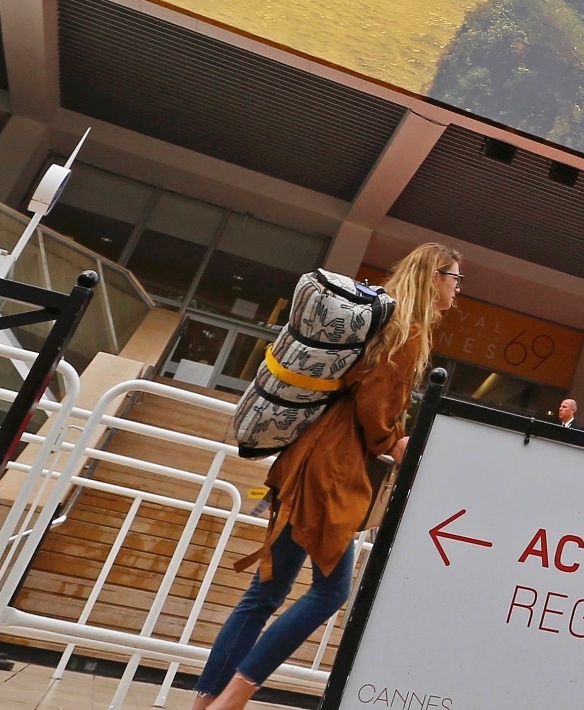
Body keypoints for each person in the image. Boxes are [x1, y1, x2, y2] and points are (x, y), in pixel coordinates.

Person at [194, 243, 463, 710]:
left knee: (266, 593)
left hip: (306, 454)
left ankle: (205, 706)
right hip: (334, 468)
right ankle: (232, 698)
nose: (458, 289)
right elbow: (376, 407)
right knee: (329, 592)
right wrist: (397, 443)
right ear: (435, 276)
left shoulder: (385, 317)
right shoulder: (409, 329)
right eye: (455, 278)